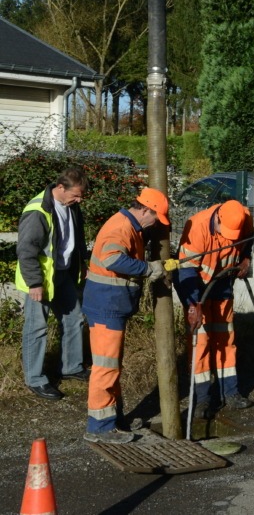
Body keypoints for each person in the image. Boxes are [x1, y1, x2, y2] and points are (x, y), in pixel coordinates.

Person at [81, 187, 171, 444]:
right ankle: (99, 427)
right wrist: (147, 268)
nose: (155, 223)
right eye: (155, 218)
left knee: (111, 367)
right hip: (106, 306)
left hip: (109, 305)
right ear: (145, 210)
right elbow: (112, 259)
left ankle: (112, 419)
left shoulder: (129, 225)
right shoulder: (120, 228)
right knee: (105, 367)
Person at [172, 198, 254, 420]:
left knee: (225, 339)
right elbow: (186, 271)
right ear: (217, 219)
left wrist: (246, 259)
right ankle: (203, 399)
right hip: (196, 287)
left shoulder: (245, 220)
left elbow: (248, 242)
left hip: (222, 285)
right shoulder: (197, 226)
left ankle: (230, 392)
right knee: (201, 343)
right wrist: (192, 304)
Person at [15, 166, 91, 401]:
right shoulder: (38, 210)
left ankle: (71, 367)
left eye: (80, 196)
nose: (78, 200)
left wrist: (82, 264)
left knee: (74, 319)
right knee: (37, 328)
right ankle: (35, 379)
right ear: (60, 187)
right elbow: (26, 251)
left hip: (63, 273)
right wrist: (35, 283)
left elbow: (76, 239)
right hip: (40, 279)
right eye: (75, 195)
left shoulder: (72, 206)